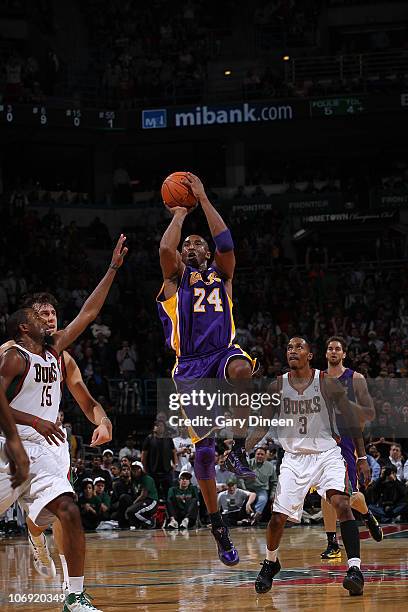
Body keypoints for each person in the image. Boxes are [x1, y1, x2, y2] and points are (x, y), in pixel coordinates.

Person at [0, 234, 127, 612]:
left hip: (47, 447)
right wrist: (35, 421)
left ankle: (74, 595)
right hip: (11, 444)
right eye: (43, 315)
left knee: (68, 508)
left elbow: (88, 313)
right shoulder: (12, 356)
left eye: (53, 314)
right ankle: (34, 532)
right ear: (25, 325)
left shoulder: (58, 354)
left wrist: (113, 269)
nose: (52, 320)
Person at [157, 172, 256, 566]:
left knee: (242, 371)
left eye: (199, 243)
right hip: (190, 368)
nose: (191, 246)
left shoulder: (223, 276)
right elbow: (165, 248)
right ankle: (217, 525)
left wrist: (203, 196)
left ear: (209, 253)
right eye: (188, 245)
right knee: (202, 452)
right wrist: (180, 213)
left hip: (222, 352)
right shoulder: (173, 281)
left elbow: (227, 242)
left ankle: (237, 449)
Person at [255, 337, 370, 597]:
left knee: (341, 503)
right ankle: (271, 562)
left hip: (327, 453)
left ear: (309, 355)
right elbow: (262, 425)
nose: (293, 351)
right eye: (289, 347)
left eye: (299, 347)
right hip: (294, 458)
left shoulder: (326, 382)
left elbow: (352, 419)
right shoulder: (277, 386)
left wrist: (361, 457)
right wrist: (240, 450)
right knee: (276, 520)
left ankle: (354, 570)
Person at [321, 337, 383, 560]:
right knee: (325, 492)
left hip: (348, 439)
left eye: (338, 348)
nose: (334, 351)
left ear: (344, 354)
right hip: (324, 439)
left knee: (349, 494)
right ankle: (332, 542)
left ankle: (366, 514)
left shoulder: (355, 378)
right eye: (330, 348)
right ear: (326, 353)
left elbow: (369, 413)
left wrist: (344, 403)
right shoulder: (319, 378)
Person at [246, 446, 277, 525]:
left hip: (261, 490)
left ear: (265, 456)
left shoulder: (270, 466)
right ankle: (251, 517)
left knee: (263, 499)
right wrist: (243, 489)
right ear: (255, 455)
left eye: (262, 454)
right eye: (258, 454)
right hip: (248, 489)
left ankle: (255, 516)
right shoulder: (248, 463)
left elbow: (274, 482)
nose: (260, 456)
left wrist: (272, 494)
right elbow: (240, 477)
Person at [125, 461, 159, 528]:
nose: (135, 471)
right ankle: (138, 525)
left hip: (151, 501)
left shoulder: (147, 478)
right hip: (142, 501)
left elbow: (144, 495)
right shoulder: (133, 480)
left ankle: (150, 522)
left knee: (132, 511)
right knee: (129, 509)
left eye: (138, 469)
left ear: (141, 470)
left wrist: (133, 504)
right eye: (133, 469)